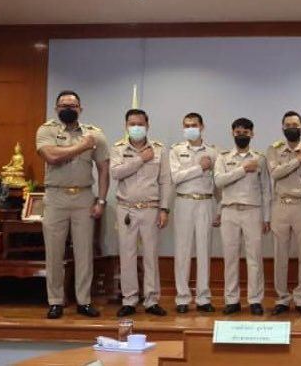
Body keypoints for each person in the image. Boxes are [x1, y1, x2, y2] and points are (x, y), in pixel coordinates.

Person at [36, 90, 109, 319]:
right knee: (54, 253)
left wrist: (101, 200)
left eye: (73, 105)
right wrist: (82, 147)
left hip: (84, 197)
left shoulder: (94, 134)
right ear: (56, 109)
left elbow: (104, 169)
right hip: (55, 197)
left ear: (80, 109)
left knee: (84, 252)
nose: (68, 109)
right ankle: (55, 301)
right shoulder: (46, 130)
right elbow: (52, 156)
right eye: (63, 105)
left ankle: (84, 301)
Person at [110, 109, 171, 317]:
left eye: (140, 123)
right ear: (126, 125)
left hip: (150, 208)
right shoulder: (118, 148)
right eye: (132, 123)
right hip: (125, 208)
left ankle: (151, 300)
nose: (136, 127)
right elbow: (115, 172)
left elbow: (165, 181)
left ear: (147, 125)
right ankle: (129, 300)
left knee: (151, 256)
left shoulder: (159, 149)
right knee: (127, 255)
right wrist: (140, 160)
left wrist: (164, 209)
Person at [214, 118, 271, 316]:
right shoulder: (223, 157)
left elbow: (266, 189)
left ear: (252, 134)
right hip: (229, 210)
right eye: (238, 132)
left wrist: (266, 217)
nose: (241, 136)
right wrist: (243, 169)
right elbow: (219, 181)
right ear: (232, 133)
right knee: (230, 258)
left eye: (245, 133)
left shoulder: (260, 159)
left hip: (252, 211)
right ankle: (232, 300)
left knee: (254, 258)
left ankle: (255, 300)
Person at [267, 111, 301, 316]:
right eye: (287, 125)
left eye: (295, 125)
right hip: (281, 205)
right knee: (280, 254)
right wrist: (298, 160)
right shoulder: (274, 149)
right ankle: (282, 299)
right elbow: (275, 173)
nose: (291, 128)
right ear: (282, 128)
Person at [169, 112, 219, 314]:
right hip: (184, 201)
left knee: (204, 251)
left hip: (206, 202)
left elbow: (218, 183)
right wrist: (199, 167)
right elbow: (175, 177)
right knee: (182, 251)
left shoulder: (213, 152)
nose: (190, 128)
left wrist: (220, 208)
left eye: (194, 125)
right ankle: (182, 298)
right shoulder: (176, 150)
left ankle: (203, 297)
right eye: (187, 125)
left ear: (202, 127)